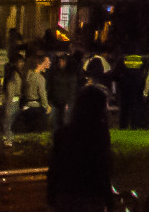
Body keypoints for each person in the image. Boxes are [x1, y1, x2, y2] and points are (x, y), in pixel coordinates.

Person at [48, 84, 117, 212]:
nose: (108, 108)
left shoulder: (63, 134)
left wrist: (51, 197)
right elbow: (103, 170)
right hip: (90, 199)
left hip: (65, 198)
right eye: (105, 104)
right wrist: (109, 201)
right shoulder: (98, 136)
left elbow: (54, 168)